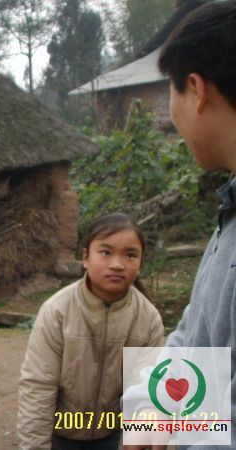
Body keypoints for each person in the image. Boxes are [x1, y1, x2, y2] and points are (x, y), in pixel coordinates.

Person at [124, 1, 236, 449]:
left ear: (195, 89)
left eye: (167, 91)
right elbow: (195, 336)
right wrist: (154, 407)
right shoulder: (228, 216)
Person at [17, 212, 164, 450]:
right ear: (85, 257)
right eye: (106, 252)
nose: (117, 264)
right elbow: (38, 386)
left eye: (130, 255)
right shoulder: (57, 311)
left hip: (110, 436)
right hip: (60, 435)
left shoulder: (148, 319)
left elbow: (146, 388)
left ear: (140, 261)